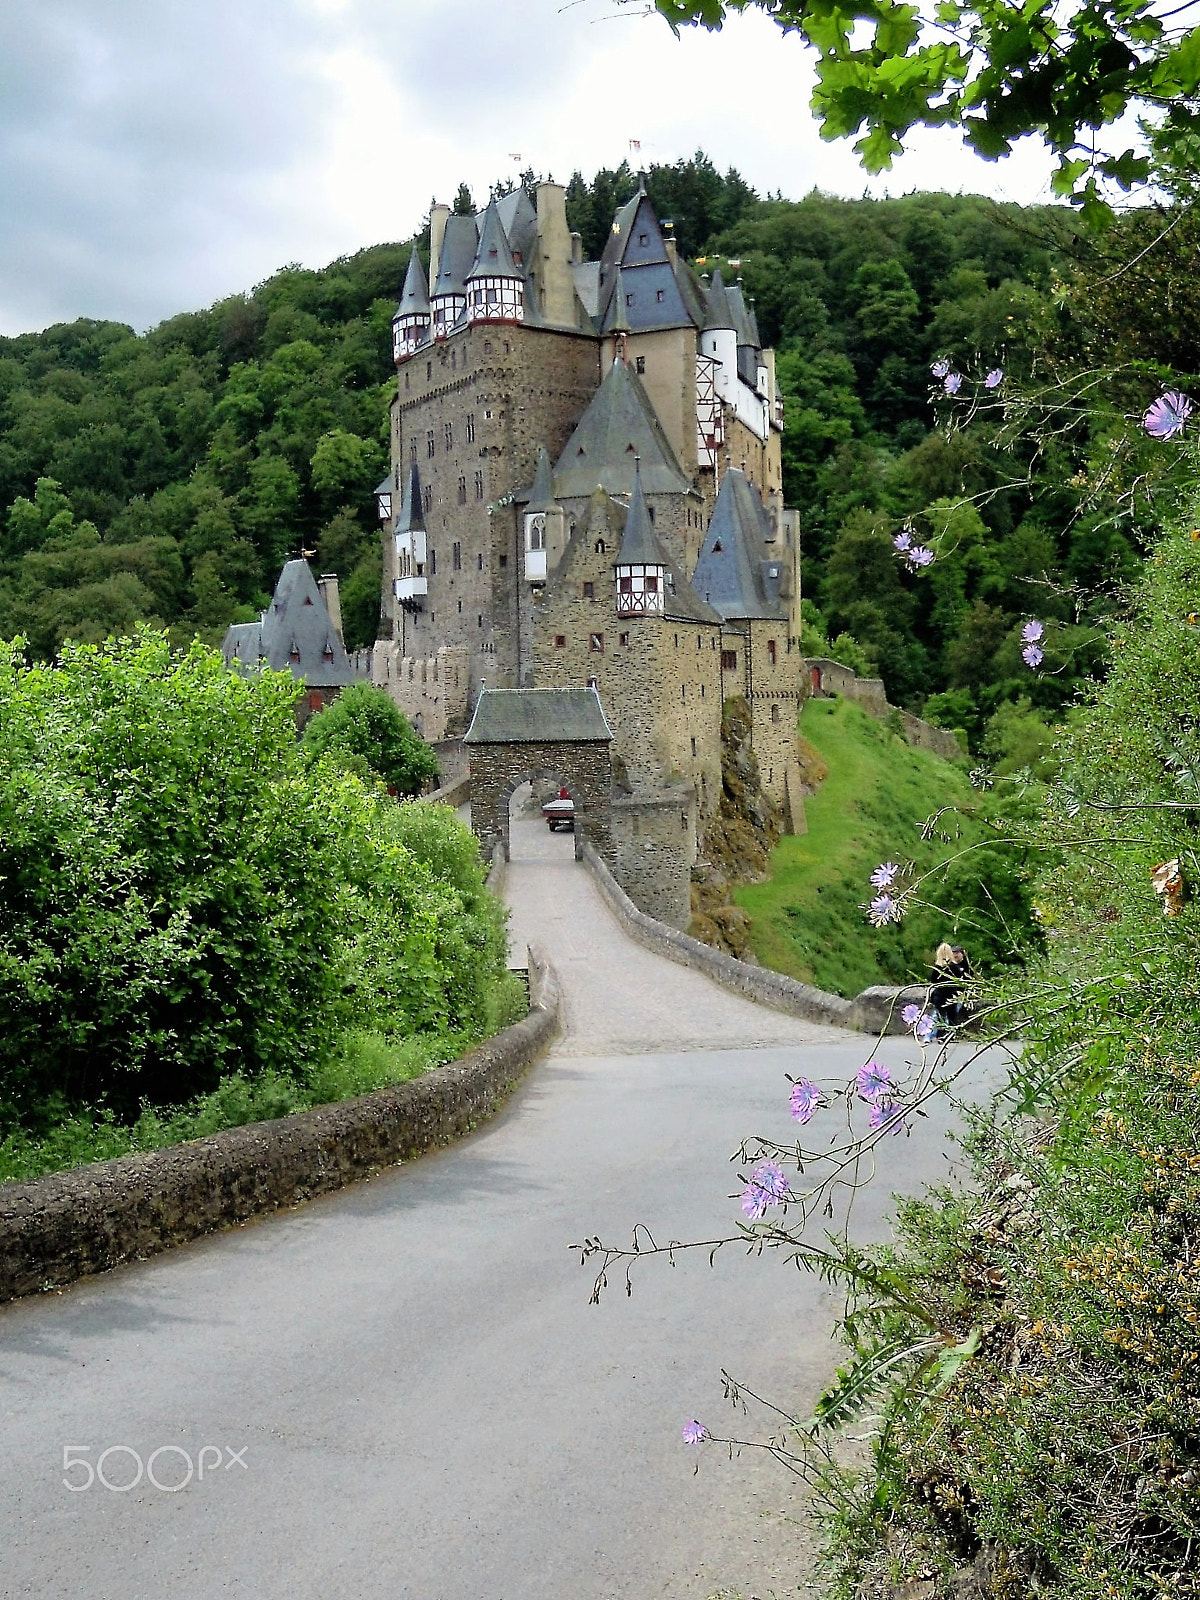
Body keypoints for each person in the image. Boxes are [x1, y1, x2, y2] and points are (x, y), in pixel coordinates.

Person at [930, 941, 971, 1027]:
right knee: (952, 1017)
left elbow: (933, 981)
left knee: (940, 1016)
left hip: (939, 995)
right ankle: (949, 1035)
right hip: (951, 995)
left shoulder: (937, 968)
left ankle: (939, 1035)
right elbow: (959, 981)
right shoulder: (954, 967)